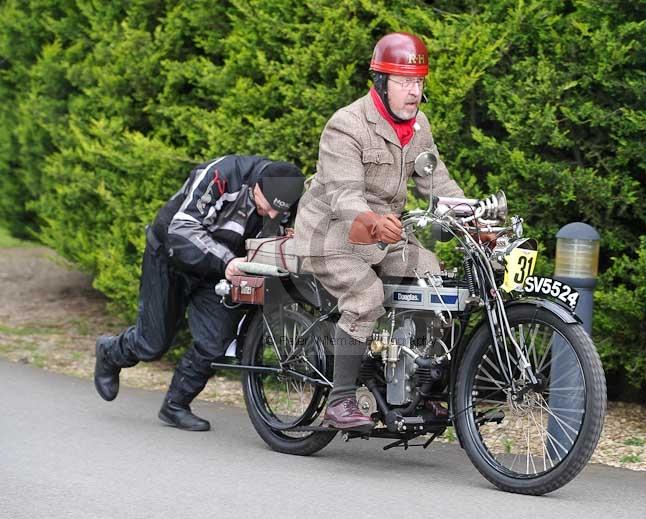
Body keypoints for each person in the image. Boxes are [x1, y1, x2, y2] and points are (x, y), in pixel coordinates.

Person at [292, 33, 465, 430]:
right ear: (382, 82)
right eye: (405, 82)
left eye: (419, 82)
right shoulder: (347, 124)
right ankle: (339, 401)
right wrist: (370, 220)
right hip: (332, 233)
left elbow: (437, 183)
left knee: (435, 283)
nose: (414, 92)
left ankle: (417, 389)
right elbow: (344, 196)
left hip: (386, 232)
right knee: (366, 296)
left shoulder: (419, 127)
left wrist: (473, 218)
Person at [94, 155, 305, 431]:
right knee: (152, 344)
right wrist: (227, 262)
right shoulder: (222, 175)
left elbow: (285, 235)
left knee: (214, 341)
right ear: (256, 187)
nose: (275, 216)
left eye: (281, 211)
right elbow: (182, 229)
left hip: (222, 267)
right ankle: (110, 352)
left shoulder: (285, 196)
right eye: (268, 209)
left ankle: (175, 405)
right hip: (172, 254)